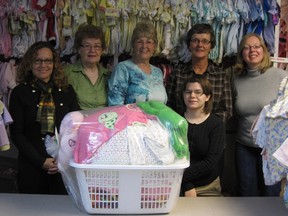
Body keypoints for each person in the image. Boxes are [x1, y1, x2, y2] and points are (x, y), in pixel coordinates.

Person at [9, 41, 80, 194]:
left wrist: (63, 160)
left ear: (54, 64)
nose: (43, 65)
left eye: (48, 60)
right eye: (38, 60)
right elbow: (17, 134)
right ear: (30, 63)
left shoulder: (67, 91)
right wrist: (40, 161)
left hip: (62, 167)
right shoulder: (19, 93)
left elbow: (76, 128)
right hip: (31, 166)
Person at [233, 33, 288, 196]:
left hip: (271, 149)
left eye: (257, 46)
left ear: (263, 50)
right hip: (244, 146)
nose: (252, 50)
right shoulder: (236, 79)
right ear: (241, 53)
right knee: (246, 194)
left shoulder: (280, 76)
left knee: (270, 195)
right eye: (247, 47)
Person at [166, 23, 232, 123]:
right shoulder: (177, 73)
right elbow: (169, 107)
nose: (200, 45)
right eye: (195, 40)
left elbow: (227, 111)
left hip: (211, 133)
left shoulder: (221, 76)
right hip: (182, 130)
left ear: (211, 46)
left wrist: (203, 124)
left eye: (205, 41)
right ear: (189, 45)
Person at [180, 74, 225, 197]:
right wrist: (187, 185)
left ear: (207, 97)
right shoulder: (175, 120)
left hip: (207, 185)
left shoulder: (216, 124)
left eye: (198, 92)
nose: (192, 96)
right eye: (188, 92)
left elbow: (211, 162)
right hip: (177, 184)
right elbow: (170, 157)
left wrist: (183, 178)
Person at [108, 22, 167, 105]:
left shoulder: (158, 72)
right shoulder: (123, 69)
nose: (144, 46)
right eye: (140, 42)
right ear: (133, 45)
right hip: (131, 118)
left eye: (149, 42)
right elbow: (115, 105)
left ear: (154, 46)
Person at [64, 24, 110, 110]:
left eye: (97, 46)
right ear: (79, 49)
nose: (92, 50)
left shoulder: (109, 75)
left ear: (102, 50)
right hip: (77, 122)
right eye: (87, 46)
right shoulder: (67, 73)